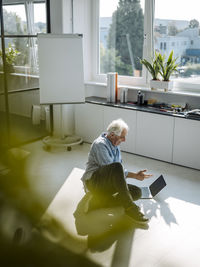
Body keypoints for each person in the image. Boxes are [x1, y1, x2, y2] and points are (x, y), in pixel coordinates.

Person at [81, 118, 152, 226]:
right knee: (117, 167)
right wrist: (131, 176)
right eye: (122, 137)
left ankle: (98, 202)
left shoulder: (115, 145)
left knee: (137, 192)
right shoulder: (100, 144)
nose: (124, 140)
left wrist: (135, 176)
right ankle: (130, 208)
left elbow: (117, 173)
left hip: (107, 183)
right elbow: (112, 170)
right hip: (94, 182)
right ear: (113, 135)